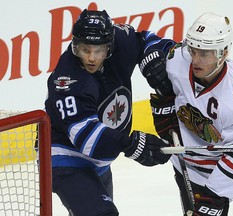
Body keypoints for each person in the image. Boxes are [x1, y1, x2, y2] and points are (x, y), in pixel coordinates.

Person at [147, 12, 233, 215]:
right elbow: (144, 44)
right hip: (193, 170)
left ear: (224, 52)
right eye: (194, 50)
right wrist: (163, 105)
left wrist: (214, 195)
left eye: (205, 54)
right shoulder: (178, 59)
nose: (196, 60)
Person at [44, 9, 175, 216]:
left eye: (98, 51)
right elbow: (86, 138)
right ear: (74, 45)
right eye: (84, 50)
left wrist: (154, 55)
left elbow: (145, 40)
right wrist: (132, 144)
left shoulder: (121, 41)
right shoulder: (67, 81)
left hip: (101, 160)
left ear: (110, 47)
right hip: (65, 157)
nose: (91, 58)